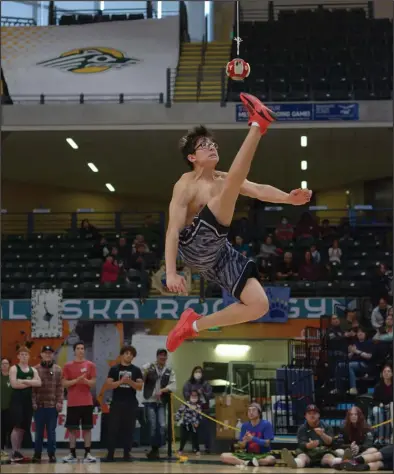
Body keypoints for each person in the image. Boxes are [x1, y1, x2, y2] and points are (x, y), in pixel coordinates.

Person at [165, 93, 311, 352]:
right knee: (231, 186)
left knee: (259, 305)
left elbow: (258, 189)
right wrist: (170, 272)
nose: (212, 147)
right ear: (191, 158)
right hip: (194, 248)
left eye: (213, 144)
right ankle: (258, 125)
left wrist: (289, 198)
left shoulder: (224, 179)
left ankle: (192, 326)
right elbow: (173, 231)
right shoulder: (185, 185)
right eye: (204, 145)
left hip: (219, 253)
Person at [104, 345, 143, 462]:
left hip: (131, 403)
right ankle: (110, 453)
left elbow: (140, 386)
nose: (129, 355)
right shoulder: (114, 369)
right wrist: (121, 381)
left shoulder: (136, 370)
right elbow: (109, 385)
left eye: (131, 354)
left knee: (129, 429)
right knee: (113, 429)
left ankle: (127, 453)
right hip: (117, 403)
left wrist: (129, 381)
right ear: (121, 355)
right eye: (126, 353)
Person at [62, 341, 97, 463]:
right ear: (74, 350)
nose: (81, 350)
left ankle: (88, 453)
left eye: (82, 348)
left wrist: (85, 381)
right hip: (73, 402)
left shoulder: (90, 365)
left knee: (87, 429)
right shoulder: (68, 366)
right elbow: (64, 383)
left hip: (87, 402)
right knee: (72, 429)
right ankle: (72, 453)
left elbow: (93, 383)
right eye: (78, 348)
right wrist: (77, 380)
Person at [281, 404, 341, 469]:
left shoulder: (327, 426)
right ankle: (295, 463)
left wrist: (322, 434)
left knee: (328, 457)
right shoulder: (302, 428)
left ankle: (338, 463)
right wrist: (309, 445)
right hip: (308, 454)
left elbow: (330, 442)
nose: (312, 415)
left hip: (323, 453)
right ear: (305, 416)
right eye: (309, 413)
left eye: (314, 413)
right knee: (302, 457)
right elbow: (301, 444)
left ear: (318, 415)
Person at [9, 346, 42, 463]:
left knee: (23, 428)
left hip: (28, 401)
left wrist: (23, 381)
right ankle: (14, 451)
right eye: (21, 354)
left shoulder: (33, 370)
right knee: (16, 427)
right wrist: (30, 382)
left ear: (29, 356)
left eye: (26, 354)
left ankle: (18, 451)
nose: (24, 356)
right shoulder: (14, 368)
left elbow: (39, 383)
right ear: (18, 356)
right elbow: (14, 385)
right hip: (17, 400)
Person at [143, 349, 176, 459]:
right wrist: (146, 368)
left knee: (162, 425)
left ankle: (159, 447)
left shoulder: (169, 370)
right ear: (157, 357)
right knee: (152, 425)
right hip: (150, 401)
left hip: (162, 401)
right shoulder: (150, 368)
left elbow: (173, 386)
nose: (162, 358)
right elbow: (140, 377)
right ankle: (154, 449)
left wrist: (162, 390)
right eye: (160, 356)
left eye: (164, 357)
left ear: (166, 358)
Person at [32, 346, 63, 463]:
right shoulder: (35, 370)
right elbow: (33, 389)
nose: (48, 355)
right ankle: (37, 454)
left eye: (50, 353)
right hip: (39, 406)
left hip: (52, 406)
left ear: (53, 355)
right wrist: (33, 403)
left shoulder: (58, 369)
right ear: (41, 354)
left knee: (51, 432)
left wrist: (59, 402)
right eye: (45, 353)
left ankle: (52, 454)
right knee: (38, 432)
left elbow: (60, 388)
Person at [221, 403, 276, 467]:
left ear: (259, 413)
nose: (251, 412)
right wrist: (244, 442)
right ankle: (246, 463)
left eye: (253, 410)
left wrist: (252, 438)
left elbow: (267, 443)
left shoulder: (266, 424)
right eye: (249, 411)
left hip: (262, 455)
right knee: (223, 456)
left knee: (271, 459)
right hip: (248, 454)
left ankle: (255, 462)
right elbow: (241, 446)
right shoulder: (245, 425)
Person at [183, 366, 213, 453]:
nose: (198, 373)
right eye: (196, 371)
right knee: (194, 428)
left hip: (204, 408)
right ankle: (195, 447)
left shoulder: (206, 384)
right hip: (193, 409)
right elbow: (186, 395)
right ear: (193, 373)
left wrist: (203, 392)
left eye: (200, 372)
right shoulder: (188, 383)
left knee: (206, 429)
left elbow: (210, 395)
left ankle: (208, 447)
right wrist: (195, 394)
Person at [175, 390, 202, 456]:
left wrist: (197, 423)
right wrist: (177, 419)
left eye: (195, 396)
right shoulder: (185, 404)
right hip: (185, 424)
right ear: (189, 396)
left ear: (198, 397)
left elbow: (200, 416)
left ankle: (197, 450)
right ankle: (181, 450)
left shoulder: (198, 406)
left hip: (194, 425)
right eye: (192, 395)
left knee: (195, 438)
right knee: (183, 438)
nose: (194, 397)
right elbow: (179, 412)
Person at [372, 364, 393, 444]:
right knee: (377, 411)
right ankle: (379, 437)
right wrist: (379, 403)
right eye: (384, 371)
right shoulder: (378, 386)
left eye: (388, 371)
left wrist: (390, 404)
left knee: (390, 412)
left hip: (391, 407)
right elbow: (373, 400)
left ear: (392, 374)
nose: (386, 373)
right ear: (382, 374)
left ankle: (387, 437)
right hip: (380, 406)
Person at [1, 358, 12, 461]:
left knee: (8, 429)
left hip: (9, 408)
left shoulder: (12, 377)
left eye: (6, 363)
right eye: (2, 364)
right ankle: (1, 448)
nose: (4, 365)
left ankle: (9, 448)